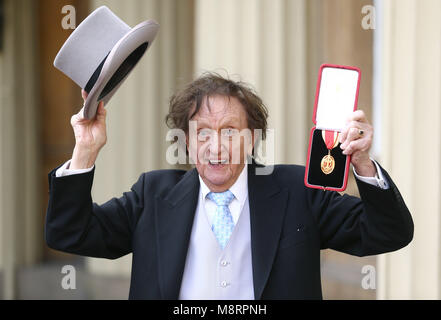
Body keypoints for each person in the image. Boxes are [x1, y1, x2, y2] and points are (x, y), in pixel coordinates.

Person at [45, 73, 413, 299]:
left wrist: (362, 162)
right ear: (186, 142)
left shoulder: (297, 191)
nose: (215, 146)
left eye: (229, 132)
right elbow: (70, 233)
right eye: (202, 132)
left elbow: (387, 233)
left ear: (252, 140)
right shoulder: (152, 195)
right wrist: (85, 152)